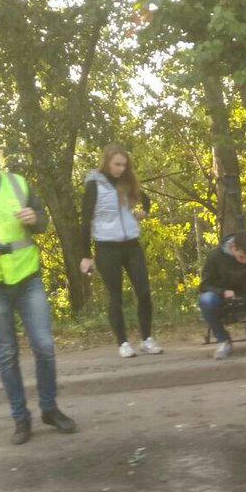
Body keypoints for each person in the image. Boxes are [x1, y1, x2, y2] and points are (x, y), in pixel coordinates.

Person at [0, 121, 77, 444]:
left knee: (44, 346)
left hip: (28, 278)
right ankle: (21, 419)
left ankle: (49, 408)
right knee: (7, 355)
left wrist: (35, 219)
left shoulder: (18, 183)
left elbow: (42, 220)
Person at [79, 144, 163, 358]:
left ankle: (146, 339)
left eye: (124, 165)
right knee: (115, 295)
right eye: (117, 164)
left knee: (144, 291)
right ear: (106, 162)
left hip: (131, 244)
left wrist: (143, 211)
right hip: (106, 246)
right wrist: (85, 255)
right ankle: (123, 342)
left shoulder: (127, 182)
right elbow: (85, 219)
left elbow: (145, 199)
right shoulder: (94, 184)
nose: (120, 169)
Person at [199, 229, 246, 359]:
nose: (244, 262)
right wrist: (222, 292)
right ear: (233, 247)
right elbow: (204, 285)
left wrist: (245, 298)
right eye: (241, 257)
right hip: (222, 299)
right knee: (206, 300)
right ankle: (223, 340)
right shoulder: (215, 256)